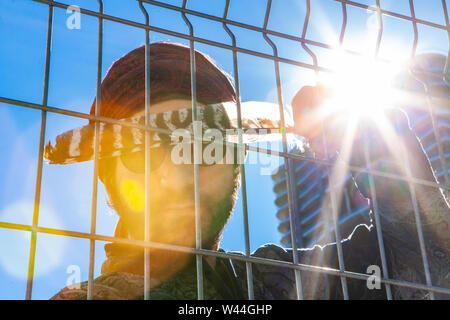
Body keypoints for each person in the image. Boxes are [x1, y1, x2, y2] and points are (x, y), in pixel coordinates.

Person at [46, 42, 450, 299]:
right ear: (109, 178)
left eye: (204, 145)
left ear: (237, 163)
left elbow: (429, 266)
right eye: (141, 155)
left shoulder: (279, 285)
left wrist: (382, 152)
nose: (176, 176)